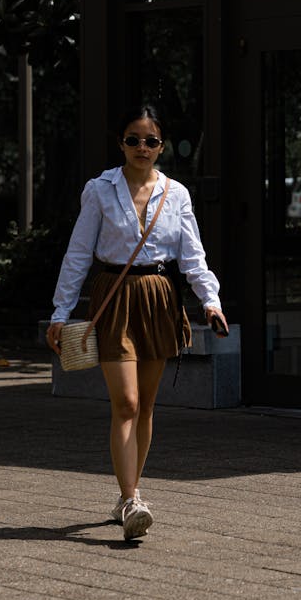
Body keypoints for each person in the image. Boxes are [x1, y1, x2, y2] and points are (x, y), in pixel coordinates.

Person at [46, 104, 228, 541]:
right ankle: (131, 502)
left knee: (146, 405)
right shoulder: (100, 189)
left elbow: (192, 255)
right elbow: (78, 253)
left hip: (160, 298)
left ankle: (129, 492)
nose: (141, 148)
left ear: (161, 146)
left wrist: (211, 300)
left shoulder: (177, 193)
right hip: (115, 296)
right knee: (125, 402)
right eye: (133, 140)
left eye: (150, 141)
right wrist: (60, 312)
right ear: (120, 143)